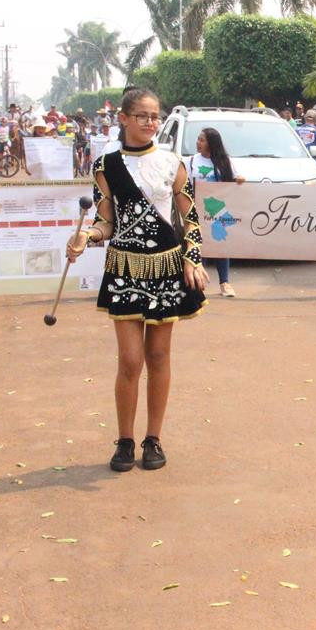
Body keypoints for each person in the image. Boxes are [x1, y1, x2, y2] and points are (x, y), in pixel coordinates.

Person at [65, 87, 208, 472]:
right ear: (124, 119)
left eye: (155, 116)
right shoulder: (105, 165)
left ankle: (153, 439)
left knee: (158, 355)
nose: (150, 123)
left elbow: (191, 218)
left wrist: (192, 260)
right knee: (129, 360)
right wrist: (86, 236)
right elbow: (105, 222)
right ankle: (125, 440)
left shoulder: (172, 162)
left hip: (165, 267)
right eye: (142, 116)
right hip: (125, 268)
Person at [189, 127, 246, 298]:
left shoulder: (224, 161)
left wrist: (240, 180)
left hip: (218, 210)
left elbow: (236, 178)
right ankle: (199, 283)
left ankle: (225, 283)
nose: (198, 143)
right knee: (199, 246)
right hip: (197, 210)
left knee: (220, 245)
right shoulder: (191, 161)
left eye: (201, 140)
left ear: (211, 143)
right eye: (198, 139)